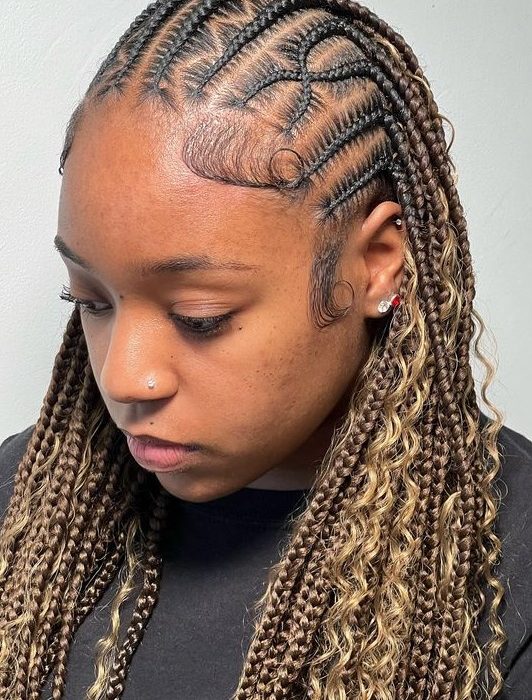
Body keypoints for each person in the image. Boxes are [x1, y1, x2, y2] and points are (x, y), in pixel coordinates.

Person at [0, 1, 530, 698]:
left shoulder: (511, 562)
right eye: (90, 301)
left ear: (377, 264)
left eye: (200, 317)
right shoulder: (19, 504)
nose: (125, 377)